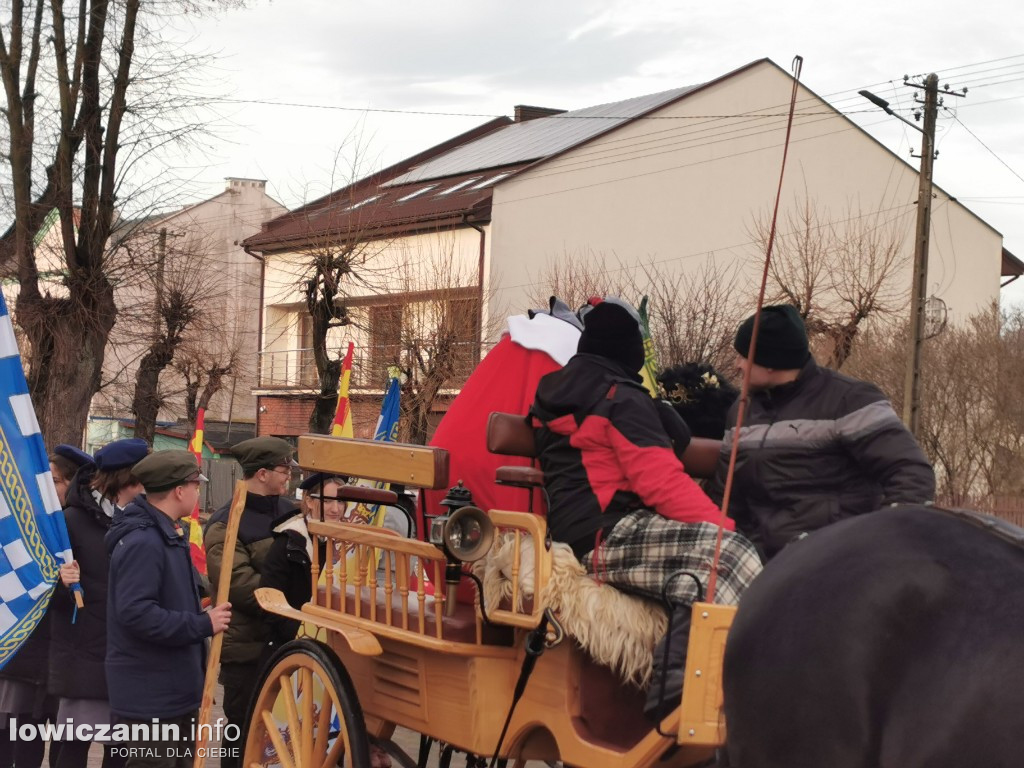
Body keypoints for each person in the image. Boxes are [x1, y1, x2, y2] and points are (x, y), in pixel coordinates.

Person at [529, 298, 762, 722]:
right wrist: (726, 528)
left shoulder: (558, 390)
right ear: (630, 350)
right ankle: (678, 682)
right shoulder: (620, 397)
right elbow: (663, 486)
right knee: (732, 555)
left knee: (710, 558)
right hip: (610, 532)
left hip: (573, 529)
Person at [706, 304, 937, 561]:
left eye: (743, 356)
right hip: (757, 563)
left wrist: (878, 543)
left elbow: (911, 475)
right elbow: (726, 497)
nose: (737, 365)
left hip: (835, 563)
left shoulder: (851, 400)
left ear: (770, 361)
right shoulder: (740, 411)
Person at [106, 451, 231, 768]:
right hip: (151, 697)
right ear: (179, 490)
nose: (197, 492)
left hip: (172, 690)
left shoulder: (167, 533)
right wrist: (203, 624)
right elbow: (137, 614)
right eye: (195, 485)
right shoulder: (144, 541)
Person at [49, 438, 148, 768]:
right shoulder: (72, 521)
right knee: (74, 746)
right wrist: (63, 584)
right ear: (126, 479)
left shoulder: (141, 522)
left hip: (125, 656)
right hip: (84, 655)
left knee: (120, 752)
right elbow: (48, 593)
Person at [204, 436, 297, 768]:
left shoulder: (292, 513)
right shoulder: (224, 524)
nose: (289, 475)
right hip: (246, 650)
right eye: (284, 468)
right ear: (262, 473)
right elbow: (239, 585)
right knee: (241, 735)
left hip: (287, 641)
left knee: (286, 736)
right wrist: (293, 600)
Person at [0, 446, 94, 768]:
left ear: (73, 483)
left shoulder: (83, 527)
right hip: (27, 655)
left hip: (69, 656)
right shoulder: (30, 525)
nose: (46, 489)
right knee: (20, 739)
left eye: (54, 481)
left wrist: (71, 587)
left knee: (65, 745)